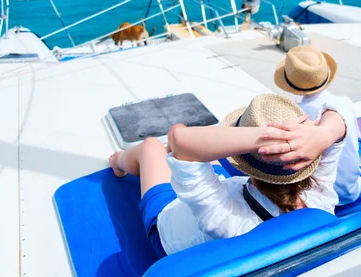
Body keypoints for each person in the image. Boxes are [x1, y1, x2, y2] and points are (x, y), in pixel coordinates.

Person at [108, 93, 347, 258]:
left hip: (168, 228)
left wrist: (264, 136)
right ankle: (179, 166)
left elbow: (178, 138)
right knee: (190, 155)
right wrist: (322, 135)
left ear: (246, 158)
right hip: (216, 195)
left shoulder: (229, 221)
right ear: (311, 157)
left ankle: (118, 162)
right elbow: (341, 110)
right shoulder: (320, 199)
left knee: (151, 146)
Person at [269, 45, 361, 206]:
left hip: (324, 196)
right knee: (358, 139)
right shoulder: (345, 102)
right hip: (351, 190)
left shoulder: (297, 115)